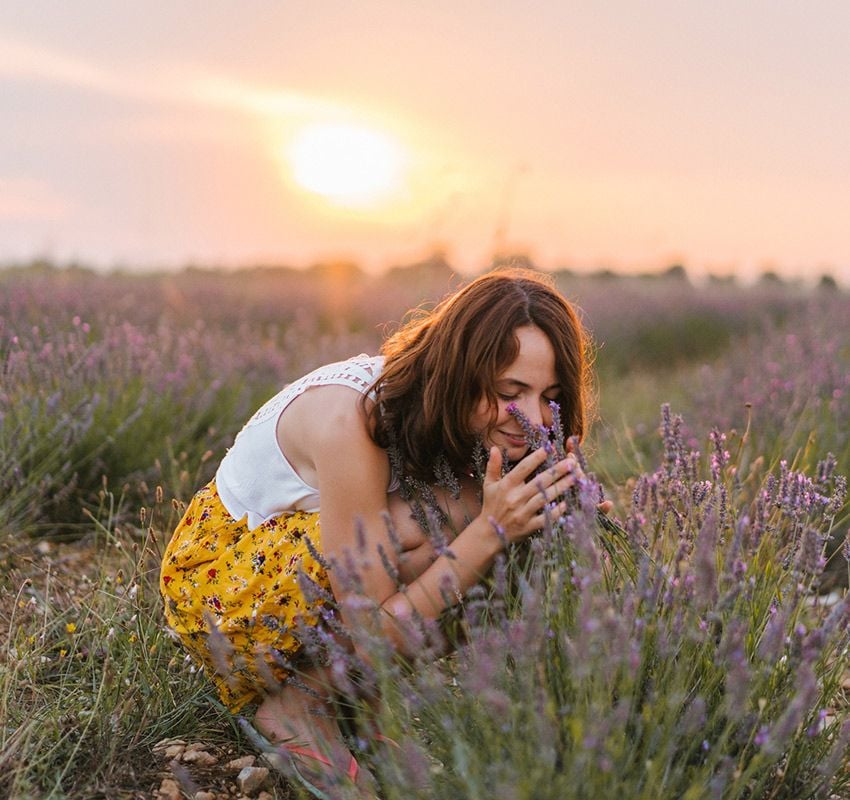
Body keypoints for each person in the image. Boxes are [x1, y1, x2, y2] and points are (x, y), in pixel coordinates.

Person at [160, 267, 596, 794]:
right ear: (460, 373)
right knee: (460, 518)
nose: (529, 415)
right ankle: (301, 705)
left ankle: (352, 697)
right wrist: (489, 531)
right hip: (223, 591)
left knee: (521, 527)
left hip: (307, 576)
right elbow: (370, 627)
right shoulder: (353, 420)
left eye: (548, 396)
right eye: (510, 391)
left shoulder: (457, 417)